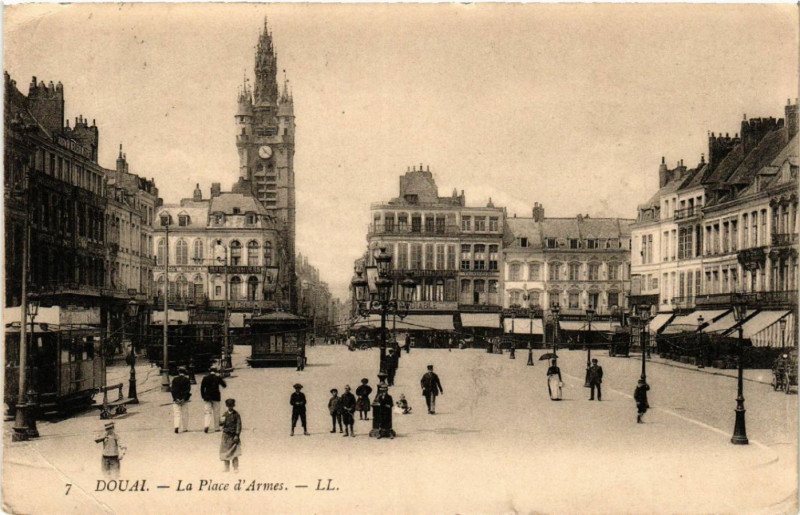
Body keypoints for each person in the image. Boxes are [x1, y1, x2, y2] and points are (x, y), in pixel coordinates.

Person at [200, 367, 227, 433]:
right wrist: (221, 378)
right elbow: (224, 385)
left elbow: (202, 388)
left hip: (207, 397)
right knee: (216, 412)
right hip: (216, 397)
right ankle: (217, 427)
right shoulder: (217, 378)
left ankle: (206, 425)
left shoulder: (205, 378)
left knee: (207, 412)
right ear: (216, 371)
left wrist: (203, 396)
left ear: (210, 371)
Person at [220, 398, 242, 472]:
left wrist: (237, 435)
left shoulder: (236, 414)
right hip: (226, 436)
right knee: (225, 452)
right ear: (227, 406)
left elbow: (239, 425)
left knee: (235, 453)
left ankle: (235, 468)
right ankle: (227, 467)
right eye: (229, 406)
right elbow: (220, 424)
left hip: (233, 436)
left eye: (231, 406)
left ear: (233, 406)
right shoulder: (225, 414)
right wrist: (221, 421)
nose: (230, 407)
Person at [171, 367, 191, 433]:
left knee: (177, 414)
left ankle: (176, 426)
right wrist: (183, 398)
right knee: (185, 414)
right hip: (184, 400)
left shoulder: (174, 379)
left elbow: (173, 390)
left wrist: (176, 398)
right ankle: (184, 428)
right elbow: (188, 390)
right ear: (184, 372)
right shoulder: (187, 380)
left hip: (176, 400)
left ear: (178, 372)